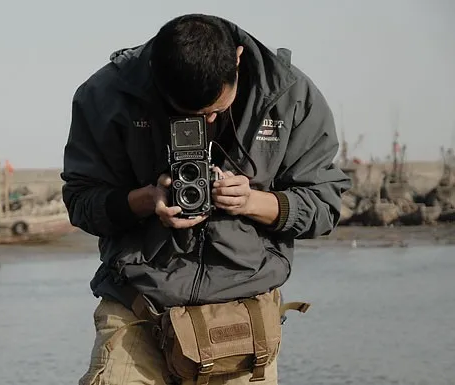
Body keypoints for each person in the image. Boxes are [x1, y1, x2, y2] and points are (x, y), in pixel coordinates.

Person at [60, 14, 352, 385]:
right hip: (138, 309)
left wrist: (253, 202)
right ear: (154, 76)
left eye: (217, 109)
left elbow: (325, 205)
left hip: (244, 322)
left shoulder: (289, 96)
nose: (208, 121)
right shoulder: (107, 95)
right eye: (186, 115)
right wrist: (145, 201)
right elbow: (81, 200)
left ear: (238, 59)